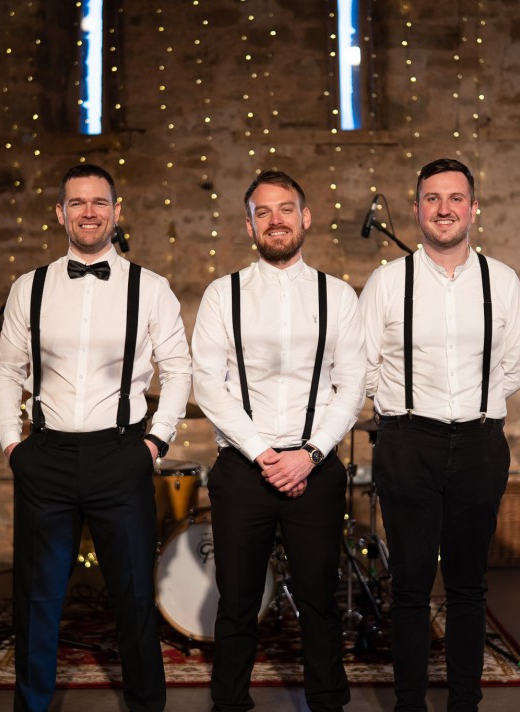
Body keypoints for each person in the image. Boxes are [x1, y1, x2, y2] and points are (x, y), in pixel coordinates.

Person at [0, 164, 191, 712]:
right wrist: (12, 443)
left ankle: (147, 705)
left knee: (133, 599)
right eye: (76, 203)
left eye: (99, 202)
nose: (88, 212)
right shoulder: (27, 287)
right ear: (59, 213)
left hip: (120, 455)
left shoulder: (150, 288)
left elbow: (178, 368)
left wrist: (155, 443)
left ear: (116, 211)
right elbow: (6, 370)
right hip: (46, 458)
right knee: (36, 600)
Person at [359, 158, 520, 711]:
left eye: (455, 198)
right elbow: (362, 365)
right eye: (433, 198)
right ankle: (410, 703)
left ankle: (464, 703)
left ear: (473, 208)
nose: (444, 208)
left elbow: (515, 366)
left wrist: (474, 405)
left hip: (480, 443)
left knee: (468, 586)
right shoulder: (388, 281)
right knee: (409, 586)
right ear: (417, 209)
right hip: (408, 442)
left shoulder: (501, 280)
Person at [192, 170, 365, 712]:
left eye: (285, 209)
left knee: (319, 600)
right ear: (249, 225)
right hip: (244, 468)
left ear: (305, 217)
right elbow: (208, 385)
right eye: (263, 212)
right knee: (237, 603)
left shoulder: (337, 295)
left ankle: (328, 704)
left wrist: (308, 455)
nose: (276, 221)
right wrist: (267, 456)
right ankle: (230, 705)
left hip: (316, 468)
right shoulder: (224, 295)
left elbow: (352, 384)